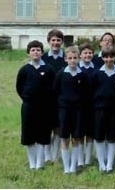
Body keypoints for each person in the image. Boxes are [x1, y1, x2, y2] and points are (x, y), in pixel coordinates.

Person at [16, 40, 56, 170]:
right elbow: (19, 87)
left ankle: (40, 163)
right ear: (28, 53)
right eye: (33, 50)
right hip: (29, 107)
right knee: (29, 135)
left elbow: (53, 87)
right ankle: (32, 162)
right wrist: (28, 99)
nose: (35, 52)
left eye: (38, 50)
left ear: (42, 52)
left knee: (42, 135)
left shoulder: (49, 69)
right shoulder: (24, 70)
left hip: (44, 108)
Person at [90, 46, 115, 173]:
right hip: (99, 110)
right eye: (106, 57)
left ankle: (109, 164)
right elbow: (92, 92)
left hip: (114, 111)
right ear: (103, 58)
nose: (109, 59)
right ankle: (101, 163)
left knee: (112, 137)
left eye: (111, 56)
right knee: (99, 137)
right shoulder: (97, 74)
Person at [53, 45, 86, 174]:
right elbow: (55, 91)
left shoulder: (82, 75)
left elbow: (85, 93)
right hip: (64, 110)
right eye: (70, 58)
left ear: (79, 59)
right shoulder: (61, 74)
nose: (73, 60)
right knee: (64, 139)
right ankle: (66, 167)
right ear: (65, 59)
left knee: (76, 138)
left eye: (75, 58)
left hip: (77, 111)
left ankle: (73, 166)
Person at [42, 29, 67, 163]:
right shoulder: (43, 58)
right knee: (47, 127)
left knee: (58, 127)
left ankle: (55, 155)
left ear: (62, 42)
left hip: (62, 98)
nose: (56, 43)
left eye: (58, 40)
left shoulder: (67, 58)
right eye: (53, 40)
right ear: (49, 41)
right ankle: (46, 156)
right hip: (47, 99)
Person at [78, 43, 98, 167]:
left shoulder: (96, 69)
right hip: (79, 106)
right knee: (79, 133)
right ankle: (80, 159)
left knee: (90, 133)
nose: (88, 55)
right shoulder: (76, 68)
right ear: (80, 55)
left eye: (90, 53)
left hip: (92, 105)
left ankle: (88, 158)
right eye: (85, 53)